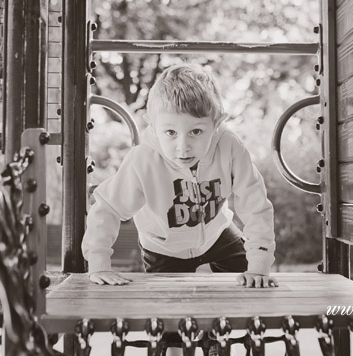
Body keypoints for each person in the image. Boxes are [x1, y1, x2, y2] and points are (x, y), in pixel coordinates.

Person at [82, 63, 277, 288]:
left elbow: (255, 205)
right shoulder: (143, 160)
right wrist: (99, 263)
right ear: (153, 126)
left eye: (196, 131)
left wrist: (259, 265)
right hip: (163, 248)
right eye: (171, 132)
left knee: (252, 289)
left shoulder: (230, 147)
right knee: (169, 309)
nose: (182, 147)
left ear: (217, 124)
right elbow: (108, 208)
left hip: (218, 234)